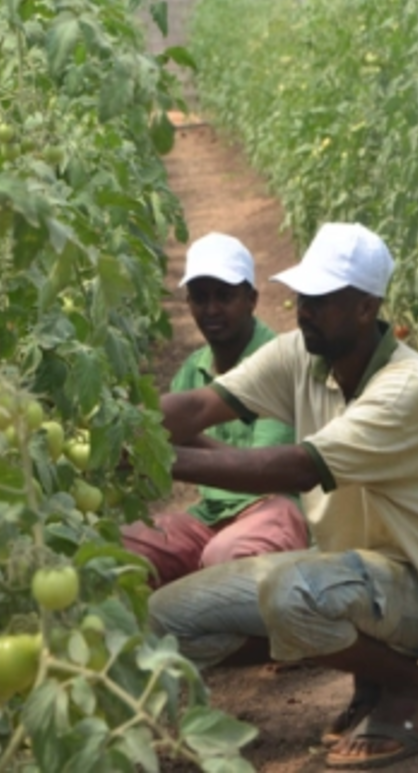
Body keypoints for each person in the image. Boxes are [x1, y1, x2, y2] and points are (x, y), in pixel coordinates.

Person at [147, 222, 418, 769]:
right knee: (166, 618)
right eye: (303, 296)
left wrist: (159, 459)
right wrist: (114, 428)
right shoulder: (303, 355)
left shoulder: (405, 387)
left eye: (322, 300)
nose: (303, 310)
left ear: (367, 307)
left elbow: (296, 467)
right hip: (341, 574)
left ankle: (409, 689)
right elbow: (200, 406)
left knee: (286, 590)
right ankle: (369, 678)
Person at [122, 232, 310, 586]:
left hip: (274, 509)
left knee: (228, 557)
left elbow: (265, 474)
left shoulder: (277, 362)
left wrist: (169, 448)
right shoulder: (192, 371)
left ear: (251, 299)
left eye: (225, 297)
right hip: (211, 515)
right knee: (122, 552)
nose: (211, 310)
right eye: (200, 297)